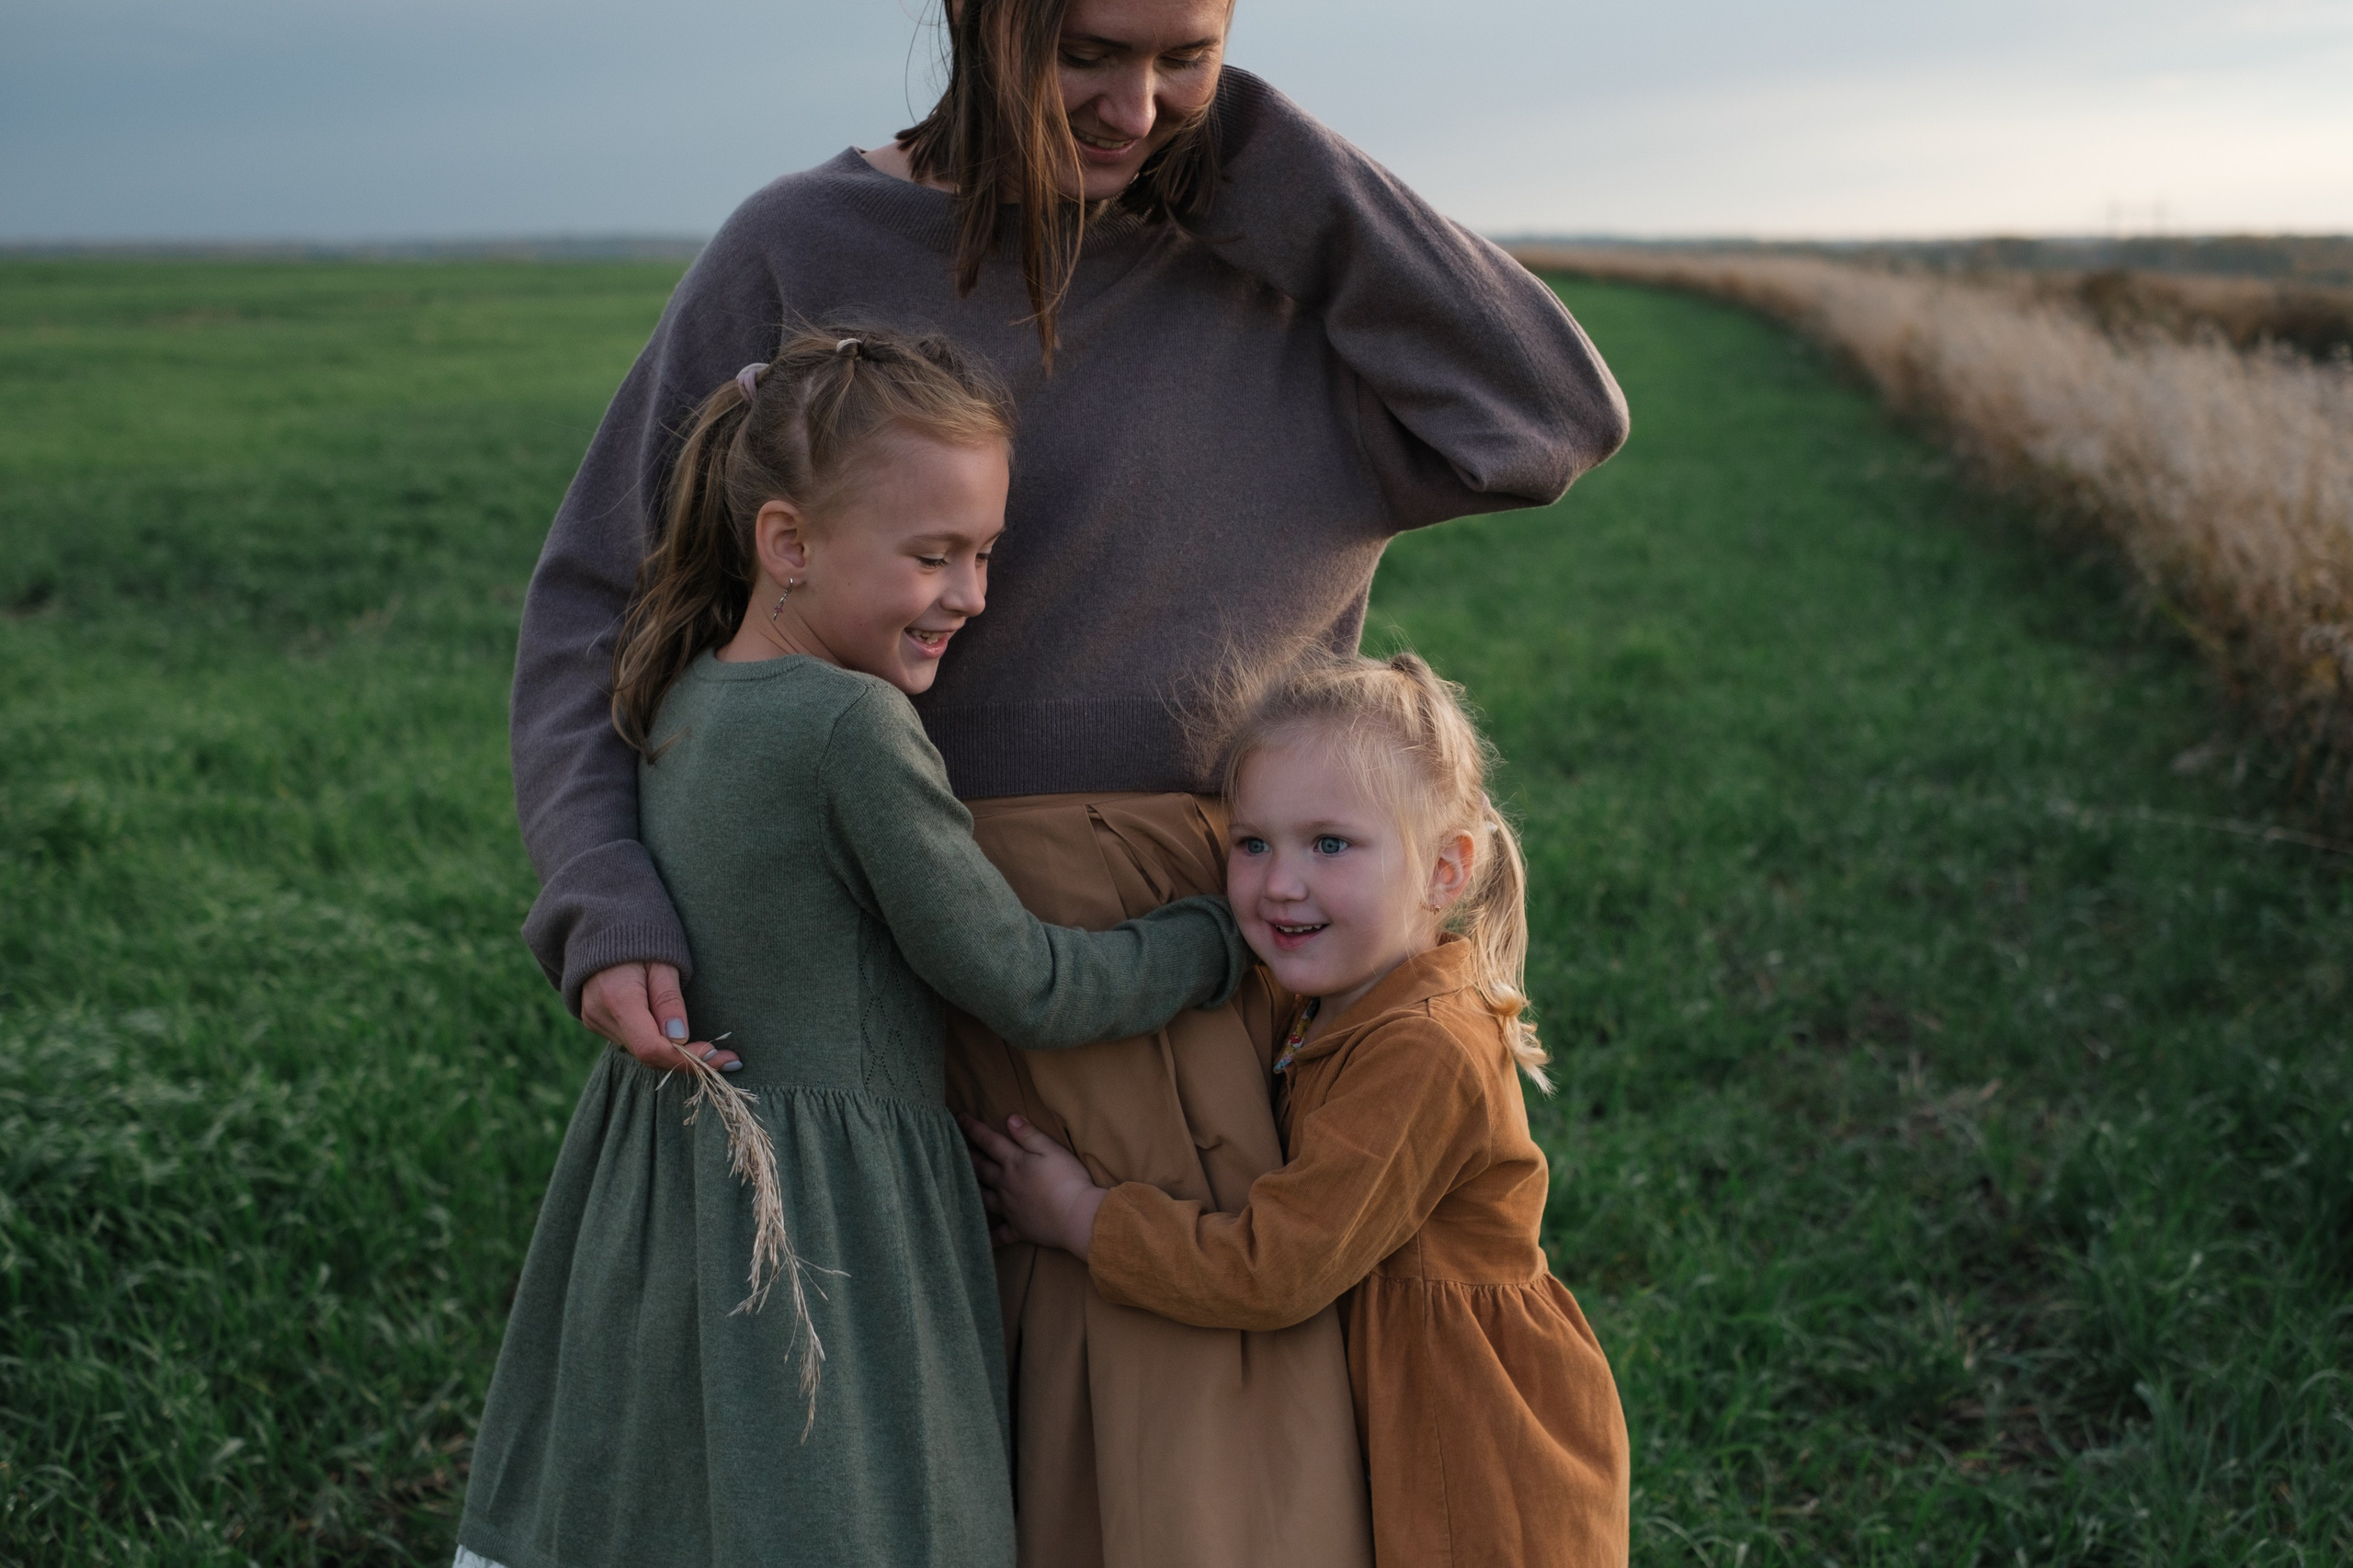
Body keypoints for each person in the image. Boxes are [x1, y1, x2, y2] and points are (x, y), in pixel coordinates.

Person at [506, 0, 1630, 1560]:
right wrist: (604, 887)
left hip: (1182, 985)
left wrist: (1250, 149)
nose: (1136, 104)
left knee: (1192, 1489)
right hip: (878, 993)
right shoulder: (804, 247)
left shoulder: (1276, 261)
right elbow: (595, 599)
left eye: (1191, 51)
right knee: (903, 1481)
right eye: (1088, 51)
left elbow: (1553, 414)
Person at [456, 326, 1258, 1568]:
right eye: (933, 556)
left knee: (678, 1483)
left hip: (667, 1175)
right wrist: (1212, 937)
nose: (973, 596)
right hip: (831, 1206)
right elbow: (1016, 978)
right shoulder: (852, 728)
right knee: (852, 1498)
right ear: (786, 544)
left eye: (985, 553)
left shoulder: (685, 693)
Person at [964, 651, 1633, 1568]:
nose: (1281, 881)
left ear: (1446, 868)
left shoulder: (1423, 1048)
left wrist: (1083, 1215)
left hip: (1462, 1436)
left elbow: (1275, 1267)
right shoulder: (1336, 993)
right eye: (1252, 842)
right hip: (1391, 1389)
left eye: (1329, 843)